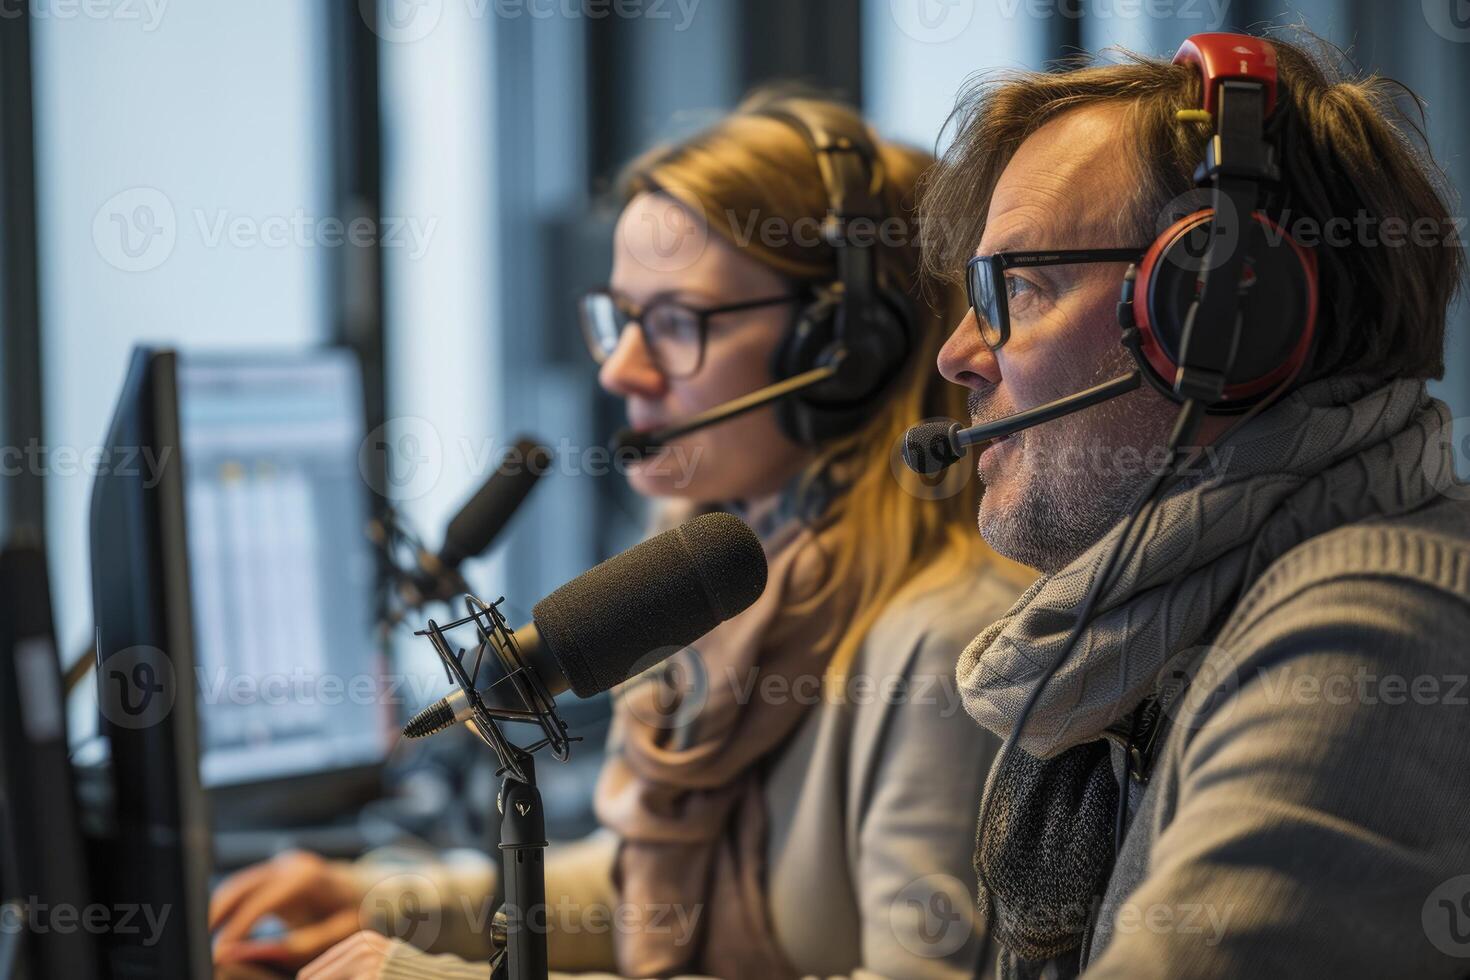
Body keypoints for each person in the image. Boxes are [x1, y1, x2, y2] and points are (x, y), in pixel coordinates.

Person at [212, 91, 1033, 979]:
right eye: (620, 317)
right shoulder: (725, 583)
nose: (620, 369)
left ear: (842, 352)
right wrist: (391, 906)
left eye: (677, 324)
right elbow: (651, 892)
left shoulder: (945, 646)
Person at [919, 29, 1470, 979]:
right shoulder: (1128, 642)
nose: (958, 356)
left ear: (1216, 316)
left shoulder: (1375, 631)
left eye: (1016, 289)